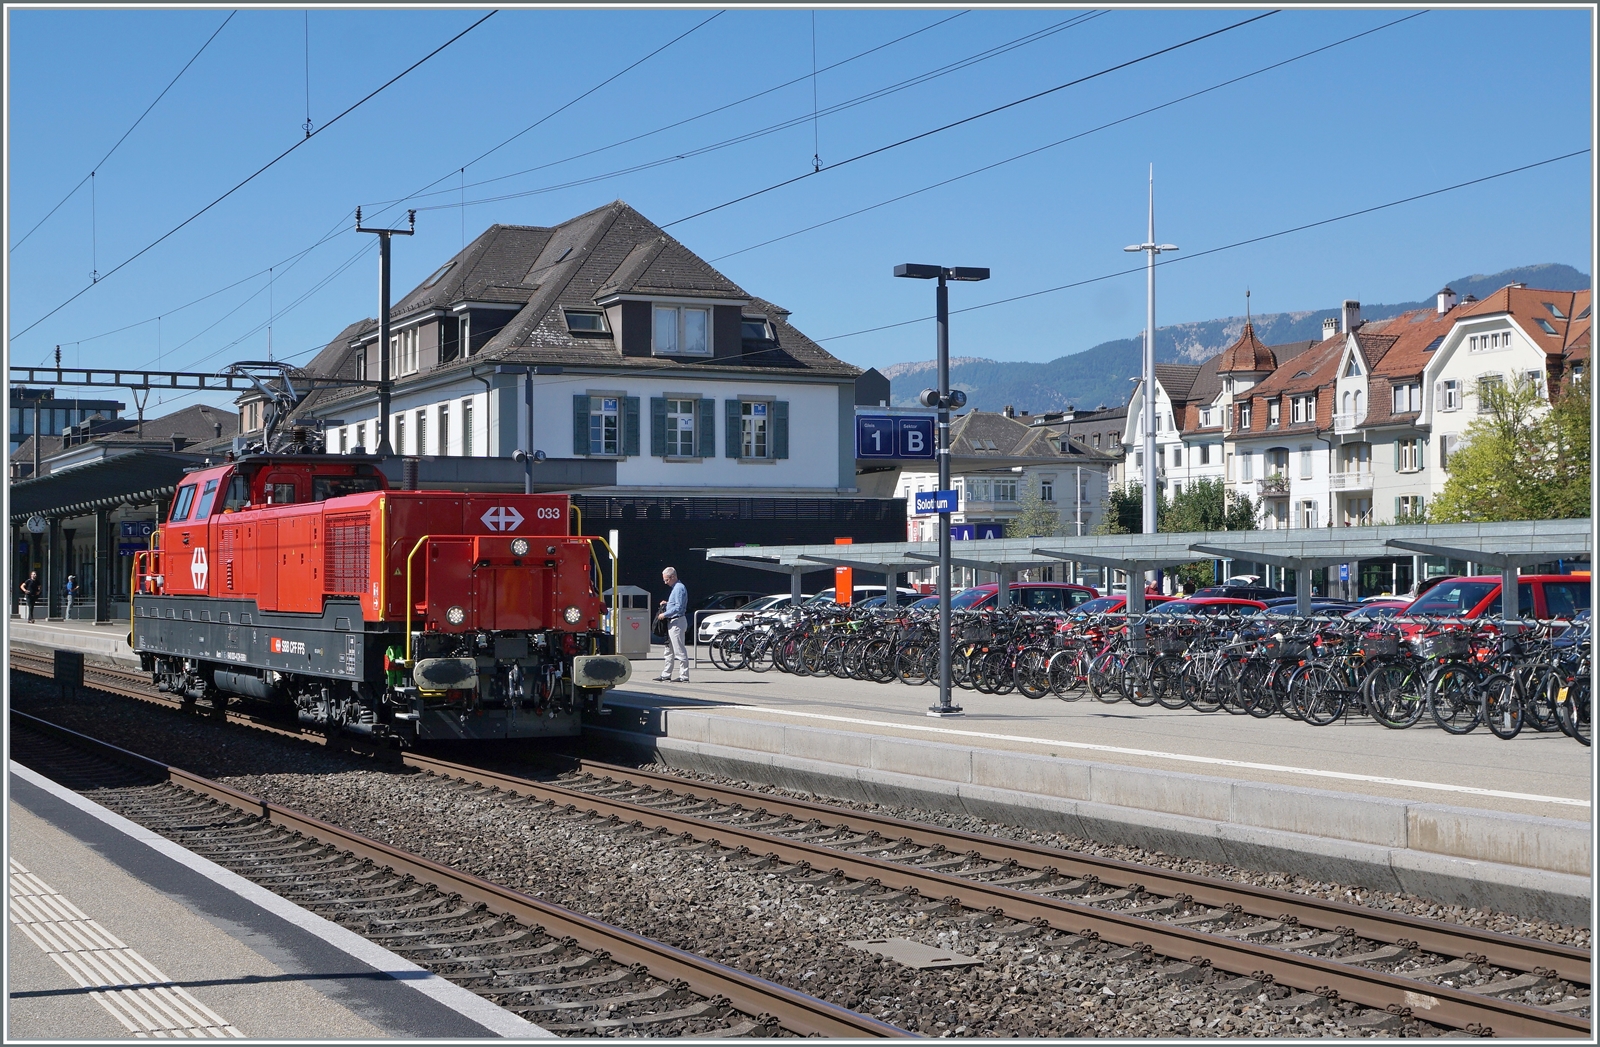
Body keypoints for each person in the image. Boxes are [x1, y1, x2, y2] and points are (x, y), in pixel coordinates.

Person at [656, 567, 690, 682]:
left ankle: (684, 676)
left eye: (667, 580)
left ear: (673, 577)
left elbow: (679, 607)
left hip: (677, 621)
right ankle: (666, 674)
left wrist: (665, 614)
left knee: (679, 650)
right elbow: (676, 604)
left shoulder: (679, 588)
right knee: (669, 650)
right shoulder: (676, 588)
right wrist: (667, 604)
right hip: (673, 621)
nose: (665, 583)